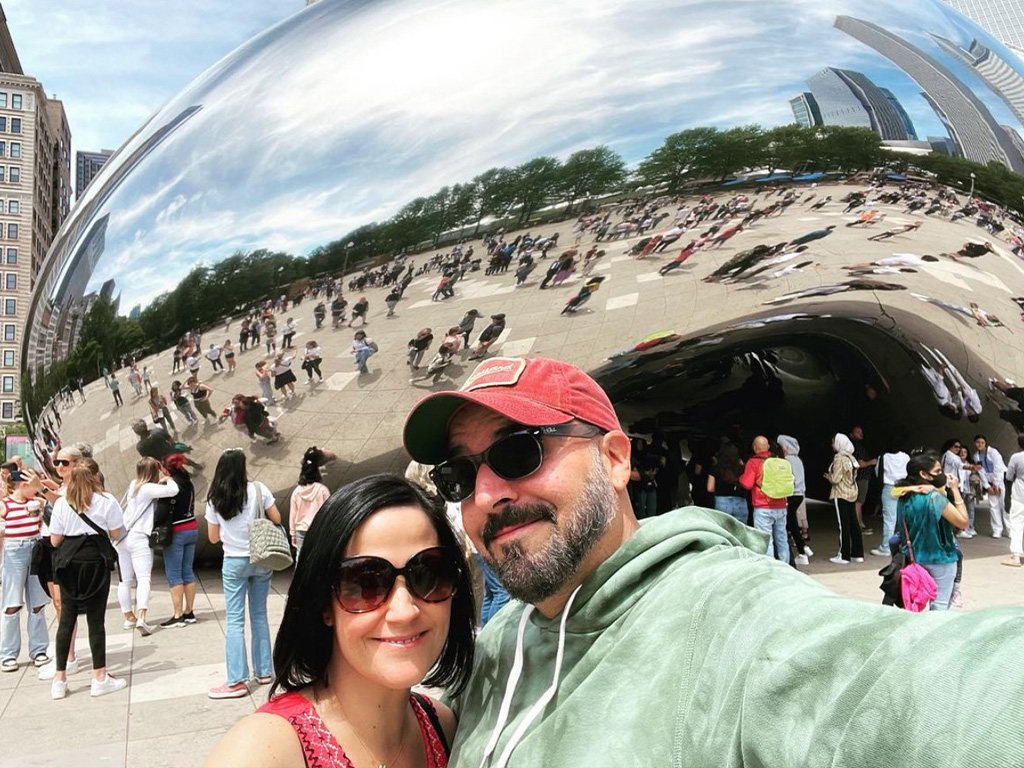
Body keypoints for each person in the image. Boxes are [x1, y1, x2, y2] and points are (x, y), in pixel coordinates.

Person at [400, 356, 1024, 767]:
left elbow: (896, 686)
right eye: (459, 475)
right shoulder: (504, 636)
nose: (486, 495)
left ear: (616, 460)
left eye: (518, 452)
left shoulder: (730, 615)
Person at [203, 474, 472, 767]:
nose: (405, 610)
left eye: (428, 574)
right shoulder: (262, 753)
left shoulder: (445, 727)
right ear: (323, 603)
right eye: (366, 583)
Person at [205, 449, 281, 699]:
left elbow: (213, 538)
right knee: (259, 615)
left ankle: (237, 680)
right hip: (261, 558)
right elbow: (277, 518)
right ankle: (264, 672)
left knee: (235, 620)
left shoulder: (215, 497)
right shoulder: (259, 489)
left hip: (234, 562)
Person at [48, 464, 125, 699]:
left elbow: (54, 540)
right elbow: (115, 532)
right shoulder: (106, 501)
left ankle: (59, 679)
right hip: (95, 558)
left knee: (67, 619)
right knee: (95, 618)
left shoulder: (62, 502)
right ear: (94, 478)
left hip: (69, 560)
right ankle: (99, 676)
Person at [893, 451, 970, 610]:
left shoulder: (904, 496)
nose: (941, 475)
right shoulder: (935, 498)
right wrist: (955, 490)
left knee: (915, 606)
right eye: (937, 471)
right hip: (940, 559)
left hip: (914, 558)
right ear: (924, 474)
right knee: (939, 607)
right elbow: (963, 522)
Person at [117, 457, 179, 636]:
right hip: (139, 537)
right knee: (143, 578)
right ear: (155, 470)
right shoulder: (148, 488)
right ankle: (142, 617)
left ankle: (129, 617)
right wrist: (169, 478)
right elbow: (173, 491)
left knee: (125, 580)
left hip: (123, 538)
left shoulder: (133, 485)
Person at [1, 469, 50, 672]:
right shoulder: (5, 505)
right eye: (32, 486)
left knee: (37, 603)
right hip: (14, 550)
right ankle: (8, 653)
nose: (35, 491)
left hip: (35, 547)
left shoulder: (37, 503)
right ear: (23, 485)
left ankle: (39, 649)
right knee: (12, 603)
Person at [160, 454, 199, 627]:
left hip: (177, 531)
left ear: (166, 468)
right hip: (192, 527)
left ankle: (177, 615)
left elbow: (162, 510)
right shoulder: (187, 481)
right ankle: (189, 611)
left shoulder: (171, 485)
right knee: (187, 571)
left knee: (174, 574)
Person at [738, 436, 789, 563]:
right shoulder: (778, 460)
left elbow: (747, 484)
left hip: (763, 506)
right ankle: (785, 565)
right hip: (781, 505)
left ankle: (770, 567)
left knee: (766, 540)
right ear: (768, 447)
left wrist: (740, 477)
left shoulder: (753, 462)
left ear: (755, 448)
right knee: (782, 538)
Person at [827, 433, 863, 565]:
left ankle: (844, 555)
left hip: (841, 493)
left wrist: (828, 477)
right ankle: (858, 554)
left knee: (843, 525)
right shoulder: (851, 457)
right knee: (854, 523)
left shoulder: (838, 458)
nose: (832, 445)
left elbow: (836, 479)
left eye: (833, 442)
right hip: (852, 492)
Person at [288, 447, 331, 560]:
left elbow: (293, 514)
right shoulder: (323, 490)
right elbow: (329, 511)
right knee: (320, 556)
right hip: (318, 528)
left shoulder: (296, 492)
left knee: (301, 557)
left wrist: (293, 533)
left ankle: (300, 576)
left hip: (301, 529)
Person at [872, 440, 911, 557]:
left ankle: (886, 547)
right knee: (903, 518)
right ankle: (903, 545)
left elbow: (877, 472)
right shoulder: (905, 456)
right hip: (903, 487)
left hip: (889, 488)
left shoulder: (883, 457)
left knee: (889, 519)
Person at [777, 435, 811, 565]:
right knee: (791, 522)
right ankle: (802, 548)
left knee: (790, 524)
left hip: (791, 494)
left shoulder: (786, 460)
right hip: (799, 494)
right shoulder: (798, 459)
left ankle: (801, 551)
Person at [974, 434, 1008, 538]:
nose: (980, 444)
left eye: (982, 442)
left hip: (1001, 479)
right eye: (978, 442)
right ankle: (997, 530)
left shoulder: (993, 452)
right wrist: (987, 486)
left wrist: (996, 484)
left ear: (985, 443)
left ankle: (1010, 529)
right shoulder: (976, 456)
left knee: (1005, 505)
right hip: (989, 482)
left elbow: (998, 468)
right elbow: (981, 471)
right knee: (993, 506)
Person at [1001, 433, 1024, 567]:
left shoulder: (1016, 457)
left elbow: (1009, 477)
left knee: (1016, 524)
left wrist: (1007, 498)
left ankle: (1016, 555)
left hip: (1019, 494)